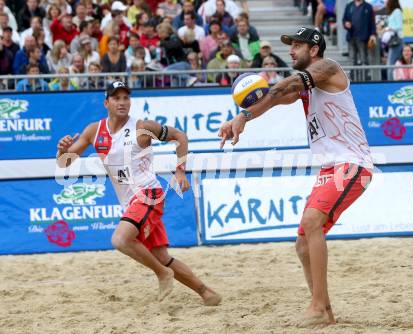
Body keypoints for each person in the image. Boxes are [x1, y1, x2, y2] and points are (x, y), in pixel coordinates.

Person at [218, 27, 373, 327]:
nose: (290, 51)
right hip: (330, 168)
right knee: (302, 244)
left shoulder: (329, 68)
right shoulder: (307, 86)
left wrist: (243, 114)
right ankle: (325, 311)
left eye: (297, 45)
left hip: (352, 164)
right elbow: (274, 99)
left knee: (313, 221)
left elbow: (278, 89)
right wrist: (242, 118)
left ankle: (316, 307)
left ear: (314, 50)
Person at [56, 81, 222, 306]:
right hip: (130, 202)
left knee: (120, 239)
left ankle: (162, 274)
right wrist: (61, 149)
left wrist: (180, 171)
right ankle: (207, 293)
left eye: (126, 97)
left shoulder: (142, 127)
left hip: (148, 194)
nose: (122, 102)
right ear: (107, 103)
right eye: (116, 98)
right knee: (163, 257)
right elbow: (64, 163)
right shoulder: (94, 131)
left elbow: (180, 137)